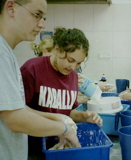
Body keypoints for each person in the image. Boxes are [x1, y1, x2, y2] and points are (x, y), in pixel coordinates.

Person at [0, 0, 81, 160]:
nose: (41, 24)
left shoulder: (3, 49)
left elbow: (17, 108)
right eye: (37, 15)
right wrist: (63, 129)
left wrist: (57, 117)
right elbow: (15, 120)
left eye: (44, 18)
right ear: (11, 7)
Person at [20, 27, 103, 159]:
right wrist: (56, 119)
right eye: (70, 60)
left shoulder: (73, 77)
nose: (73, 67)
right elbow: (18, 111)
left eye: (78, 63)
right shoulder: (31, 69)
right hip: (34, 147)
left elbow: (66, 112)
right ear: (57, 49)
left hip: (61, 147)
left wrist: (84, 116)